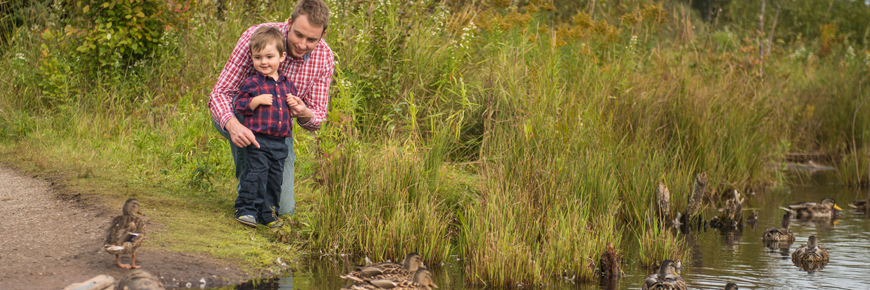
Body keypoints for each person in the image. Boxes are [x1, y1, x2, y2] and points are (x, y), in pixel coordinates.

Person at [208, 0, 334, 222]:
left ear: (323, 34)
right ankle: (248, 204)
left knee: (284, 211)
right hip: (242, 117)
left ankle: (261, 203)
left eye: (311, 39)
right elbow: (221, 93)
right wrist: (233, 125)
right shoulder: (255, 37)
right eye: (298, 35)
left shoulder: (324, 58)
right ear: (290, 22)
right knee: (255, 169)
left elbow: (317, 117)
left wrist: (304, 112)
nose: (303, 44)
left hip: (278, 131)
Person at [232, 26, 297, 227]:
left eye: (269, 57)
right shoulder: (252, 84)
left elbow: (294, 107)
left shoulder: (287, 84)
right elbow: (240, 106)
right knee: (255, 174)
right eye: (258, 57)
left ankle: (268, 214)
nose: (264, 62)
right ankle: (246, 209)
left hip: (280, 142)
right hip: (259, 139)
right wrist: (256, 101)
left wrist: (295, 104)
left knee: (274, 179)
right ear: (252, 58)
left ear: (282, 57)